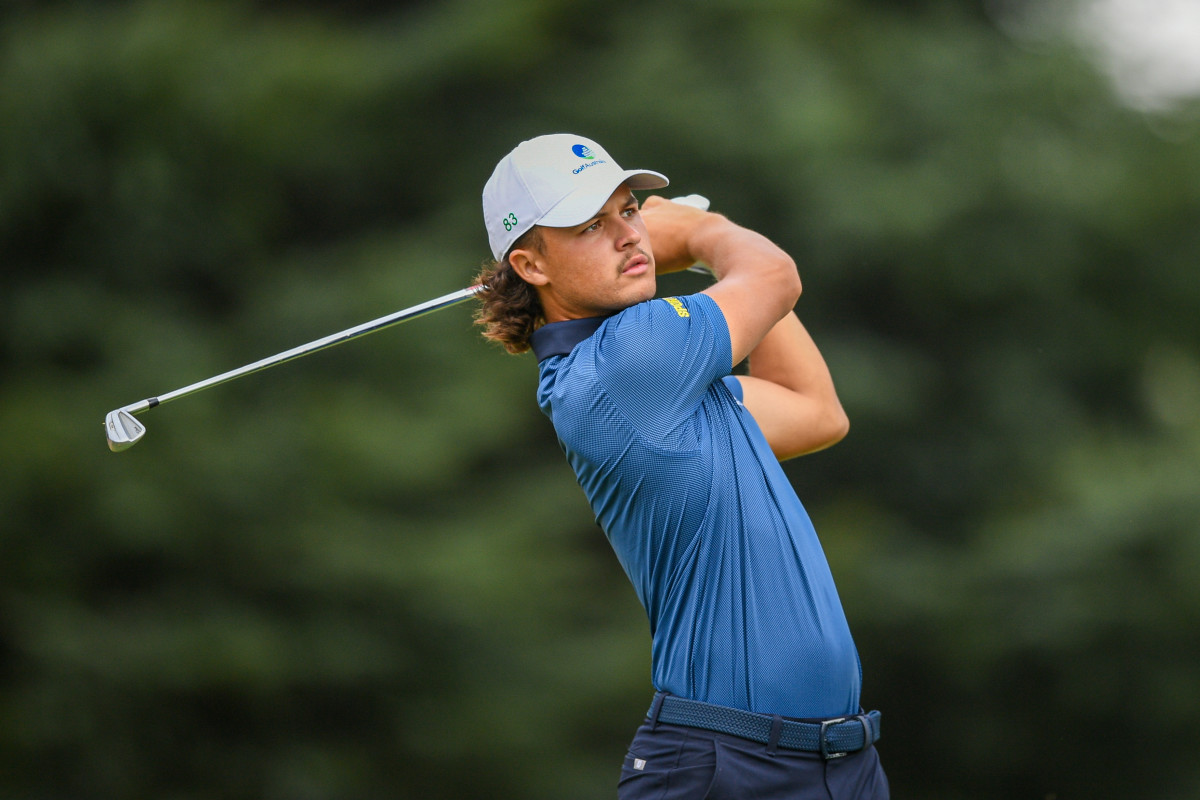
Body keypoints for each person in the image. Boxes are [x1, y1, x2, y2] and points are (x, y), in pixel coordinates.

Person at [475, 133, 889, 799]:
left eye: (629, 212)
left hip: (835, 763)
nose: (625, 236)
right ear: (532, 265)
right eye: (589, 226)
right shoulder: (631, 361)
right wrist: (703, 234)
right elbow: (777, 276)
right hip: (730, 765)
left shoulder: (658, 377)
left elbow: (815, 412)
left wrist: (713, 269)